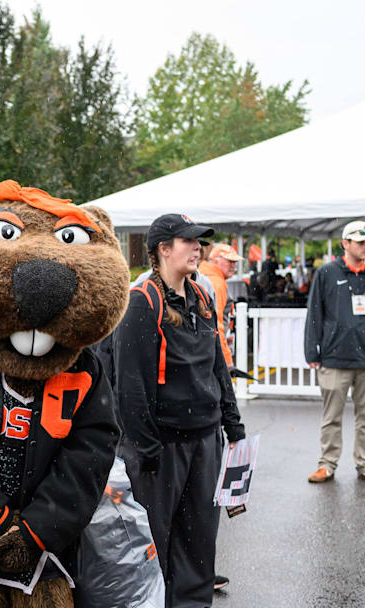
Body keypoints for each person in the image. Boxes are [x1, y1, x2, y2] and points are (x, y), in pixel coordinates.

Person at [114, 213, 245, 607]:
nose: (198, 248)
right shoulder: (140, 302)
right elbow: (129, 386)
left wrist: (233, 426)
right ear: (163, 250)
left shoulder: (202, 297)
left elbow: (217, 365)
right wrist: (147, 449)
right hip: (161, 449)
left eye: (199, 241)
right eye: (188, 241)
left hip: (206, 442)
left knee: (200, 542)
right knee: (155, 544)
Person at [304, 220, 365, 484]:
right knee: (331, 417)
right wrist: (312, 352)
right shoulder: (327, 272)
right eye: (361, 242)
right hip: (335, 357)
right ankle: (327, 463)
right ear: (345, 244)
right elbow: (315, 313)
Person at [199, 243, 243, 369]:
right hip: (211, 349)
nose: (234, 266)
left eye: (235, 262)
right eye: (230, 262)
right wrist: (227, 358)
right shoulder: (216, 282)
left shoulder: (205, 276)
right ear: (215, 261)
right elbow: (216, 323)